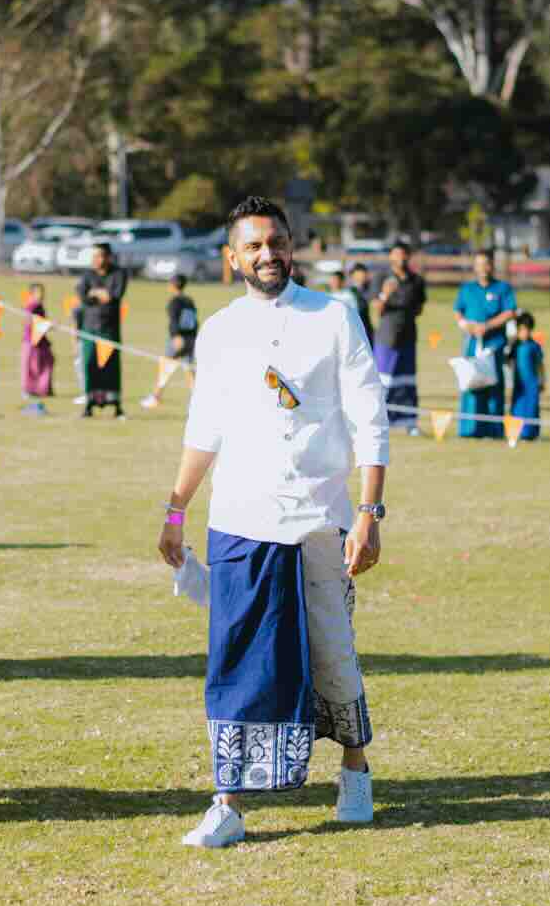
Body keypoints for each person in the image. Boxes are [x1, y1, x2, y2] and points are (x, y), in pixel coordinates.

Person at [159, 195, 388, 850]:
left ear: (295, 246)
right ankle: (226, 801)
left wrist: (369, 512)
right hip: (238, 519)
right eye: (254, 246)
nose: (268, 254)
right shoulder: (221, 329)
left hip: (320, 518)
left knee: (332, 653)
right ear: (232, 258)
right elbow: (205, 428)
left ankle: (355, 772)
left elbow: (371, 417)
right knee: (234, 657)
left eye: (277, 242)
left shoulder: (335, 318)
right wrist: (176, 507)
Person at [453, 251, 517, 439]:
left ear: (492, 266)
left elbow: (509, 312)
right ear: (474, 266)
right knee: (472, 383)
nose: (483, 268)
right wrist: (467, 326)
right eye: (479, 264)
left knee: (493, 386)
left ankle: (494, 430)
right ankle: (470, 429)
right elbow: (458, 311)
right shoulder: (467, 289)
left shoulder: (502, 288)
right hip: (472, 344)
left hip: (494, 346)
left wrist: (487, 326)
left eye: (486, 264)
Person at [373, 241, 426, 435]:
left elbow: (420, 308)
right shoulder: (382, 277)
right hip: (387, 338)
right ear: (391, 257)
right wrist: (385, 294)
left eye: (404, 254)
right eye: (397, 254)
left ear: (409, 256)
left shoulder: (416, 280)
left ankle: (410, 423)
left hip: (408, 337)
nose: (401, 258)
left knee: (407, 382)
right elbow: (377, 309)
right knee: (384, 382)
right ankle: (379, 422)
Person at [77, 241, 127, 418]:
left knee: (111, 366)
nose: (97, 259)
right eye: (94, 256)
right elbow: (83, 296)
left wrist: (96, 293)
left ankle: (116, 405)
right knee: (89, 364)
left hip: (109, 328)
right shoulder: (87, 275)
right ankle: (89, 403)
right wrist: (100, 294)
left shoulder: (119, 274)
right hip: (89, 327)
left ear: (108, 257)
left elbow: (114, 296)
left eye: (100, 256)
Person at [140, 273, 198, 408]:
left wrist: (176, 336)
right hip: (191, 338)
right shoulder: (189, 301)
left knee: (165, 366)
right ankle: (196, 399)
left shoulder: (174, 302)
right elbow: (194, 321)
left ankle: (156, 397)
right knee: (189, 369)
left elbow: (174, 321)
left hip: (179, 339)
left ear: (172, 285)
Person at [509, 312, 544, 442]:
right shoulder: (514, 346)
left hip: (532, 384)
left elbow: (540, 364)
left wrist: (542, 380)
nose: (525, 333)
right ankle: (516, 433)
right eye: (522, 330)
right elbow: (508, 363)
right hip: (518, 384)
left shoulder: (535, 346)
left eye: (527, 330)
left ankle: (532, 434)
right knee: (517, 409)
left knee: (532, 408)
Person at [20, 281, 53, 416]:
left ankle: (43, 389)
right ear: (32, 293)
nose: (41, 295)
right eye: (38, 292)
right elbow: (30, 322)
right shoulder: (31, 306)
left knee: (47, 363)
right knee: (30, 367)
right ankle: (28, 390)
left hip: (42, 341)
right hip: (31, 342)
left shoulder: (40, 306)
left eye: (42, 292)